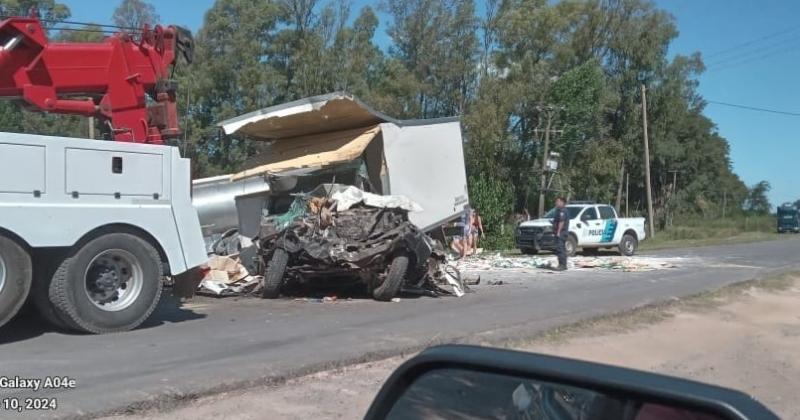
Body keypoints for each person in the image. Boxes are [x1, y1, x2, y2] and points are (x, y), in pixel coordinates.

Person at [552, 197, 569, 271]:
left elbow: (561, 222)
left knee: (560, 248)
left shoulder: (562, 211)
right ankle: (562, 264)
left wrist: (558, 232)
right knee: (561, 249)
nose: (556, 203)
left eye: (558, 201)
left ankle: (562, 265)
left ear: (562, 202)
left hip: (561, 233)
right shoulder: (558, 210)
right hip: (561, 232)